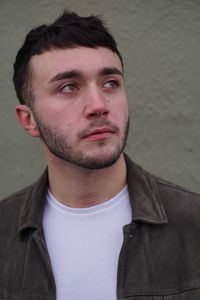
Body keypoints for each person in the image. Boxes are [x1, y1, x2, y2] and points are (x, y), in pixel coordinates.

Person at [0, 10, 200, 300]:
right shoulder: (4, 235)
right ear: (28, 120)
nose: (99, 105)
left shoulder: (193, 225)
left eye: (110, 83)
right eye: (68, 87)